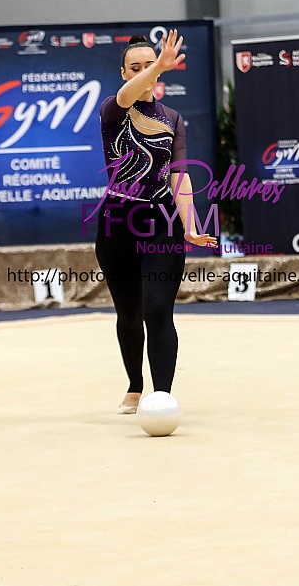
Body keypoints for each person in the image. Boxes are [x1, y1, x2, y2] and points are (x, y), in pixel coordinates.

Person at [95, 29, 217, 413]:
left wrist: (191, 224)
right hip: (117, 222)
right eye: (135, 67)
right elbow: (128, 95)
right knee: (129, 313)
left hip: (161, 221)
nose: (144, 72)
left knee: (158, 309)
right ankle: (135, 386)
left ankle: (161, 395)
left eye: (150, 65)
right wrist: (159, 66)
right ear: (123, 73)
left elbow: (179, 175)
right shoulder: (114, 110)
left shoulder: (172, 118)